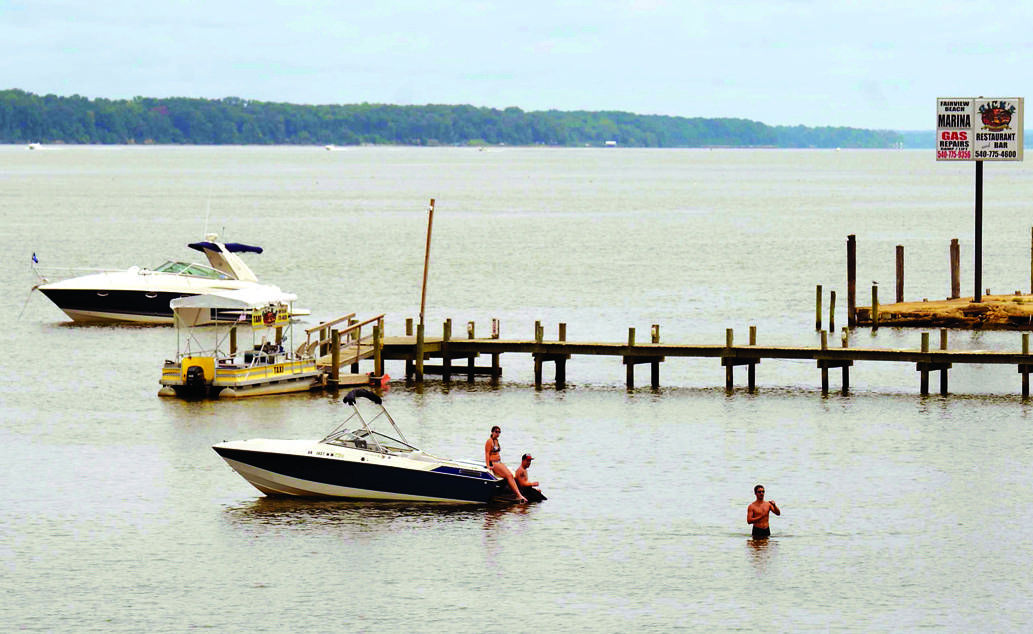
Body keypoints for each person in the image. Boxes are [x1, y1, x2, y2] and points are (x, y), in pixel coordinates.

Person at [484, 426, 527, 503]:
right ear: (492, 432)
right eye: (496, 432)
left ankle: (516, 493)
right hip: (493, 463)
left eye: (499, 432)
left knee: (511, 474)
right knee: (509, 475)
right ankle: (518, 495)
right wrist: (488, 465)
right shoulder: (489, 441)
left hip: (498, 462)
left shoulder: (496, 441)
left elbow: (496, 452)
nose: (498, 434)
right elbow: (487, 454)